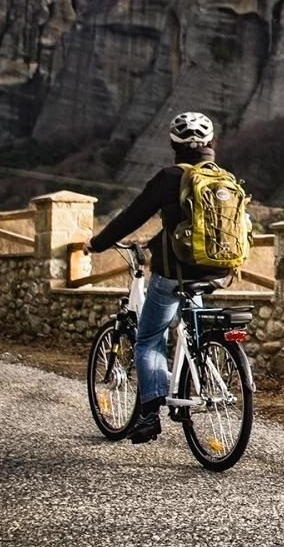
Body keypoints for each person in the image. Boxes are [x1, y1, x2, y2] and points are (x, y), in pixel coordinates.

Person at [86, 111, 225, 444]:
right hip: (214, 270)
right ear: (210, 144)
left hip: (174, 273)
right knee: (191, 330)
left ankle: (149, 415)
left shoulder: (169, 177)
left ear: (172, 144)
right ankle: (197, 378)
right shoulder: (222, 177)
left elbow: (132, 216)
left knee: (149, 339)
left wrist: (97, 243)